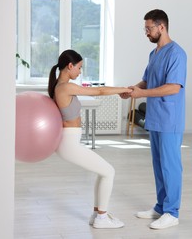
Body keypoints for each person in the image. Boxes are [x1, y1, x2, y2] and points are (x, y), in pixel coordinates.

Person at [48, 49, 131, 229]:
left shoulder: (62, 86)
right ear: (70, 66)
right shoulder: (64, 87)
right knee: (109, 171)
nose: (80, 72)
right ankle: (102, 218)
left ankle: (97, 214)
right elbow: (99, 91)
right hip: (69, 144)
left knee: (103, 172)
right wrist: (125, 89)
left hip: (70, 142)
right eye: (79, 68)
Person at [121, 9, 187, 229]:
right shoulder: (154, 54)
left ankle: (172, 212)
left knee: (170, 166)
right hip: (156, 118)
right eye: (145, 29)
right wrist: (132, 89)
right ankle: (161, 206)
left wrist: (141, 94)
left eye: (149, 29)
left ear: (162, 27)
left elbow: (173, 88)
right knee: (158, 166)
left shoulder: (177, 53)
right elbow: (147, 81)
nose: (146, 33)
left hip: (170, 119)